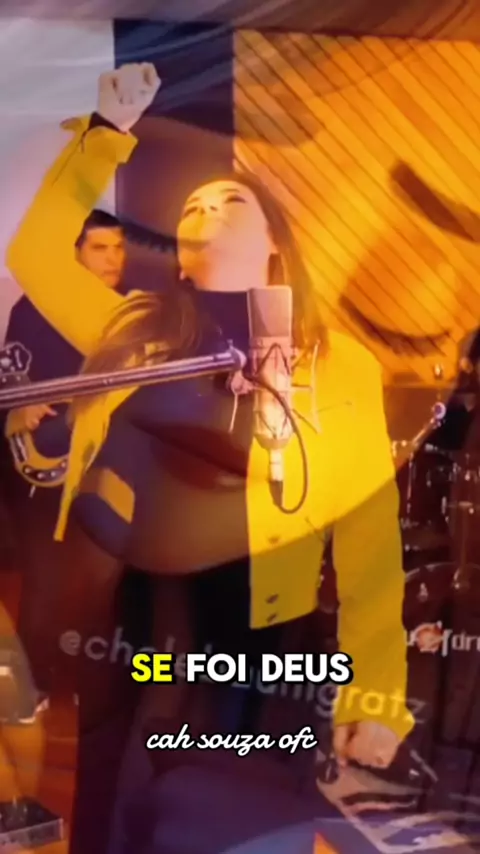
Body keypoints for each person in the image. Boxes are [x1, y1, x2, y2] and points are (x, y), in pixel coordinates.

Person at [6, 62, 414, 854]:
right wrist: (106, 133)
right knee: (120, 815)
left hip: (268, 634)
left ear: (273, 244)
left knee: (247, 822)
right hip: (141, 628)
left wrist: (377, 692)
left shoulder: (337, 362)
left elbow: (369, 541)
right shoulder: (134, 326)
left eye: (232, 201)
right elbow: (36, 253)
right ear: (181, 256)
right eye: (192, 206)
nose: (206, 209)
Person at [1, 209, 131, 717]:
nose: (113, 259)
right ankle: (31, 689)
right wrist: (19, 407)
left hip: (106, 466)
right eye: (100, 248)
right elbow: (10, 377)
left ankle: (87, 687)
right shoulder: (34, 308)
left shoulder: (131, 313)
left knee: (101, 582)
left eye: (118, 248)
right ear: (74, 254)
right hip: (40, 468)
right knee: (47, 582)